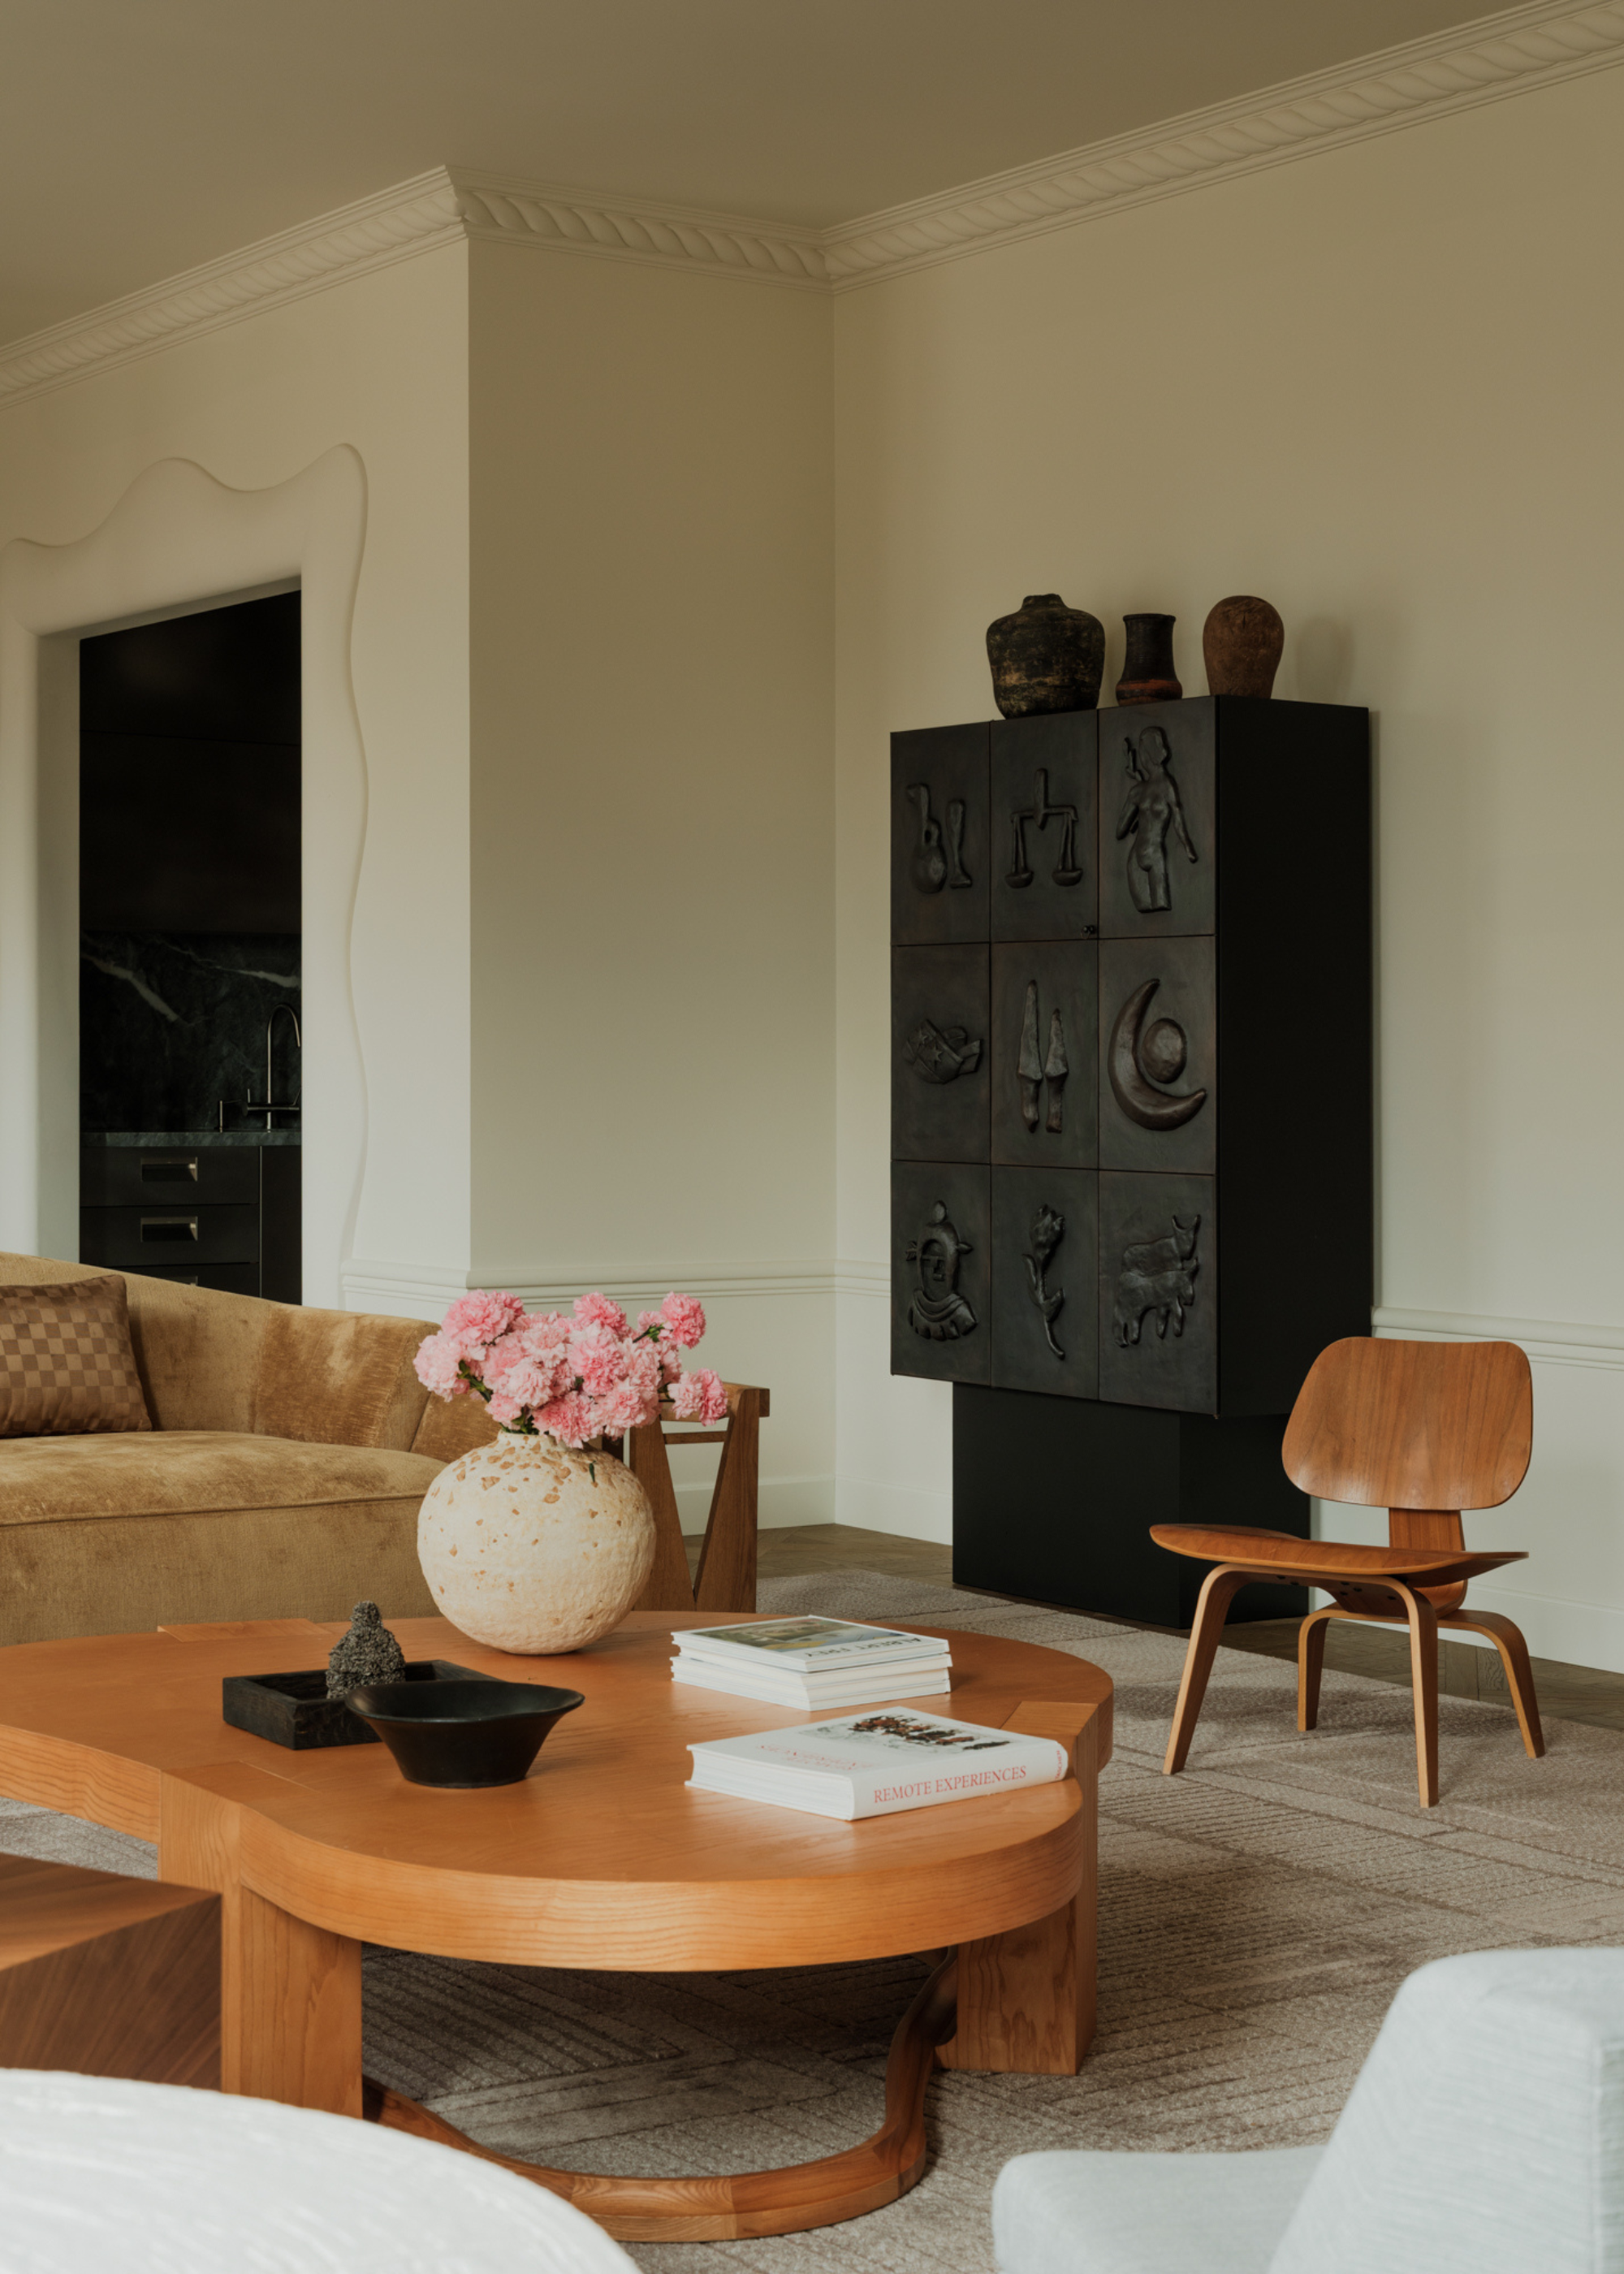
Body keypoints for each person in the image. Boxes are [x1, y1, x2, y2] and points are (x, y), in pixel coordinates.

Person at [1116, 725, 1197, 913]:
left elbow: (1178, 818)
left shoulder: (1156, 788)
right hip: (1138, 859)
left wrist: (1188, 848)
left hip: (1152, 858)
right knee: (1147, 919)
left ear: (1147, 754)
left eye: (1142, 751)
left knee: (1160, 912)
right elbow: (1119, 832)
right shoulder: (1141, 790)